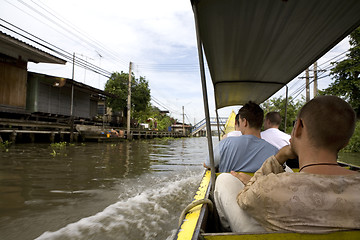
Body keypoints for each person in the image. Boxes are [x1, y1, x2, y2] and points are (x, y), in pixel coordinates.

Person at [214, 96, 360, 233]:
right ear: (346, 142)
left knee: (224, 180)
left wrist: (278, 158)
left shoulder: (270, 187)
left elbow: (244, 199)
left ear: (299, 128)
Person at [204, 101, 278, 172]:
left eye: (239, 120)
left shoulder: (226, 143)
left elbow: (207, 164)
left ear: (245, 122)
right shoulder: (274, 151)